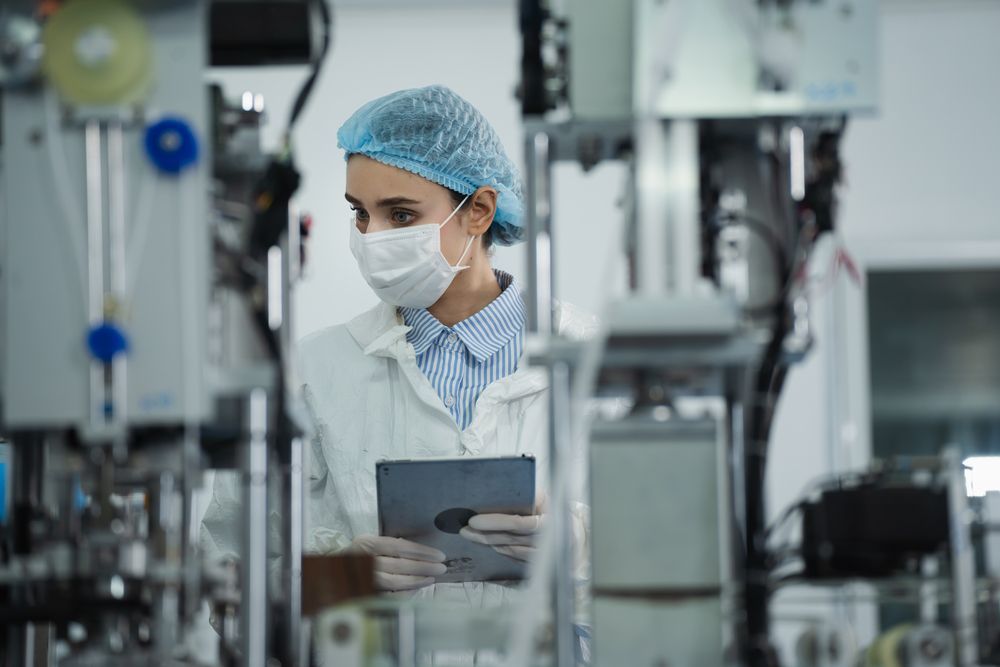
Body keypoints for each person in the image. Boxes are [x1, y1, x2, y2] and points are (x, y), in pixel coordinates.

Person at [201, 85, 590, 612]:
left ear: (478, 210)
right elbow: (227, 576)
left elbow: (689, 561)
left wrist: (582, 545)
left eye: (400, 215)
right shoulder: (310, 373)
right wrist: (336, 578)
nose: (371, 236)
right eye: (360, 213)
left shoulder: (593, 362)